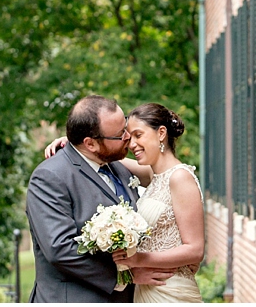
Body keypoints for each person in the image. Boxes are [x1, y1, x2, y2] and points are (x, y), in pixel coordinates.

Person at [44, 103, 205, 303]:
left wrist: (139, 260)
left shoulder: (180, 178)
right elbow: (101, 158)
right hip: (145, 290)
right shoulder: (154, 174)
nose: (131, 144)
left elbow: (196, 250)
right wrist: (74, 144)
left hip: (169, 289)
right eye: (128, 137)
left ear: (161, 133)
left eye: (138, 135)